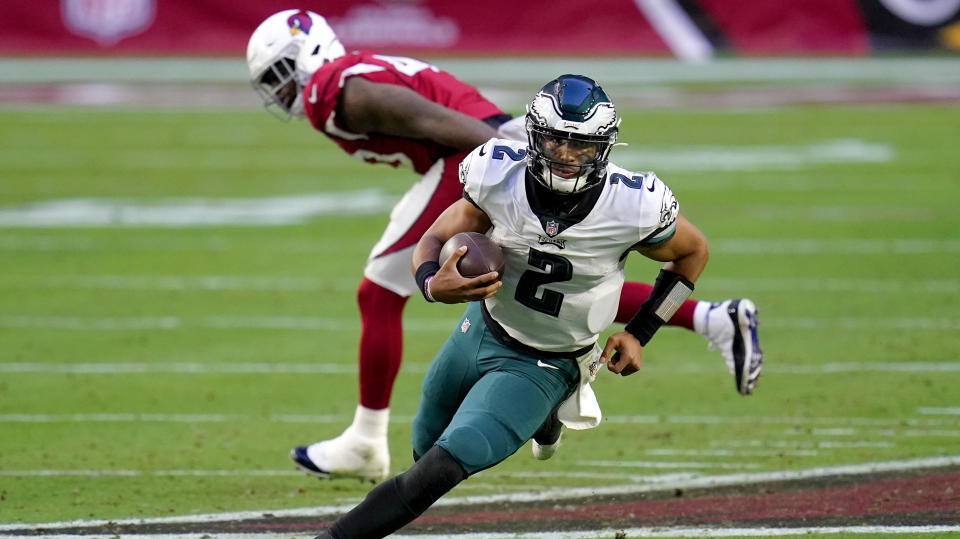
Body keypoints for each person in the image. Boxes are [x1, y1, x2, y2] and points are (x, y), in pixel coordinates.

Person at [252, 73, 711, 539]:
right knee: (421, 447)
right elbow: (435, 234)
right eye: (557, 139)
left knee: (438, 469)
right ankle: (547, 419)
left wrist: (642, 331)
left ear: (603, 147)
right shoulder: (498, 172)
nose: (567, 155)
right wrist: (430, 281)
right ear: (535, 136)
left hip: (546, 361)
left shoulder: (632, 204)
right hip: (479, 331)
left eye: (581, 143)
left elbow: (694, 253)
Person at [245, 10, 763, 483]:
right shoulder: (351, 76)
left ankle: (364, 440)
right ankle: (711, 318)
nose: (278, 90)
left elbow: (435, 123)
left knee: (381, 289)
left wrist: (506, 165)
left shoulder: (338, 88)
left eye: (277, 74)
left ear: (305, 56)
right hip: (501, 150)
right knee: (549, 274)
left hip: (502, 153)